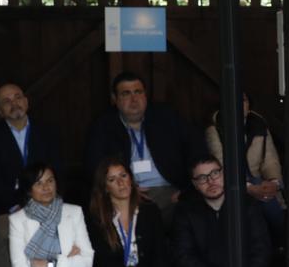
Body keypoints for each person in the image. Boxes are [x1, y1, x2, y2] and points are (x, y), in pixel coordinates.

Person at [84, 71, 206, 227]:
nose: (134, 99)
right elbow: (93, 166)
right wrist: (125, 189)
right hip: (127, 193)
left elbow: (196, 149)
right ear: (115, 99)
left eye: (138, 92)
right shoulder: (103, 126)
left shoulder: (166, 117)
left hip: (170, 190)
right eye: (126, 94)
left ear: (145, 95)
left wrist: (188, 189)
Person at [204, 92, 285, 240]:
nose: (239, 104)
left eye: (243, 100)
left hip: (258, 179)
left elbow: (270, 160)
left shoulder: (259, 126)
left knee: (272, 204)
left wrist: (274, 182)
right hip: (230, 184)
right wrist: (247, 187)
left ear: (249, 105)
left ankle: (279, 247)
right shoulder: (214, 129)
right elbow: (219, 164)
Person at [0, 83, 62, 217]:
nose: (15, 104)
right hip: (9, 209)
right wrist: (15, 207)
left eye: (18, 98)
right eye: (7, 101)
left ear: (26, 102)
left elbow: (58, 169)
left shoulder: (47, 131)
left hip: (47, 204)